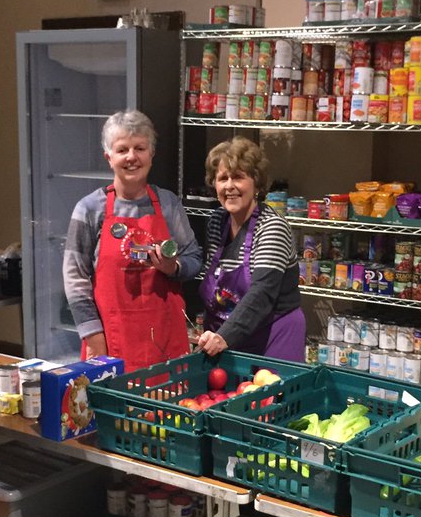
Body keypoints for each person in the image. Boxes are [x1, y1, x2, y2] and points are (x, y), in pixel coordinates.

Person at [63, 109, 201, 370]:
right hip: (110, 339)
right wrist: (92, 334)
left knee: (167, 411)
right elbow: (74, 277)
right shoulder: (89, 209)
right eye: (122, 149)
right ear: (109, 157)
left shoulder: (169, 204)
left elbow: (193, 259)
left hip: (165, 342)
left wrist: (172, 267)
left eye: (140, 148)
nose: (131, 157)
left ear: (151, 154)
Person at [197, 136, 306, 362]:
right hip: (230, 339)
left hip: (273, 338)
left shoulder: (272, 227)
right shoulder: (217, 222)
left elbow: (262, 294)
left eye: (238, 177)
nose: (229, 186)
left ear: (256, 183)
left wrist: (224, 336)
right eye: (222, 178)